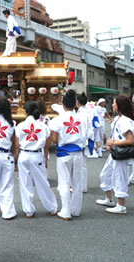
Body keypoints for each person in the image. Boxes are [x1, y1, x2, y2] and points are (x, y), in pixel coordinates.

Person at [15, 101, 57, 218]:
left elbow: (17, 145)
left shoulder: (20, 126)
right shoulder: (43, 126)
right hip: (37, 154)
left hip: (24, 154)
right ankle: (51, 207)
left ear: (26, 111)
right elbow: (47, 141)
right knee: (42, 182)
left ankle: (28, 210)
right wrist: (45, 156)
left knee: (25, 183)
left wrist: (15, 159)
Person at [49, 90, 87, 220]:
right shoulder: (81, 118)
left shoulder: (58, 119)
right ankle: (75, 210)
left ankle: (65, 211)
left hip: (64, 154)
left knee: (64, 182)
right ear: (74, 104)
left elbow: (54, 139)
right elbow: (84, 137)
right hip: (78, 153)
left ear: (63, 105)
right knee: (77, 183)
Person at [96, 95, 134, 214]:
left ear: (120, 105)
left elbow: (131, 140)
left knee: (119, 177)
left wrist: (114, 142)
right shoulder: (119, 118)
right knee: (105, 174)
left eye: (114, 103)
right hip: (116, 152)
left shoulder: (125, 121)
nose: (112, 105)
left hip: (122, 153)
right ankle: (109, 199)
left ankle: (121, 206)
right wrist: (111, 144)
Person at [76, 93, 94, 192]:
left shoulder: (82, 113)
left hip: (84, 141)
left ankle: (82, 186)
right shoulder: (83, 112)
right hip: (85, 140)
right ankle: (81, 185)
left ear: (77, 101)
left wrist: (82, 144)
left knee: (82, 165)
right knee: (82, 164)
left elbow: (83, 130)